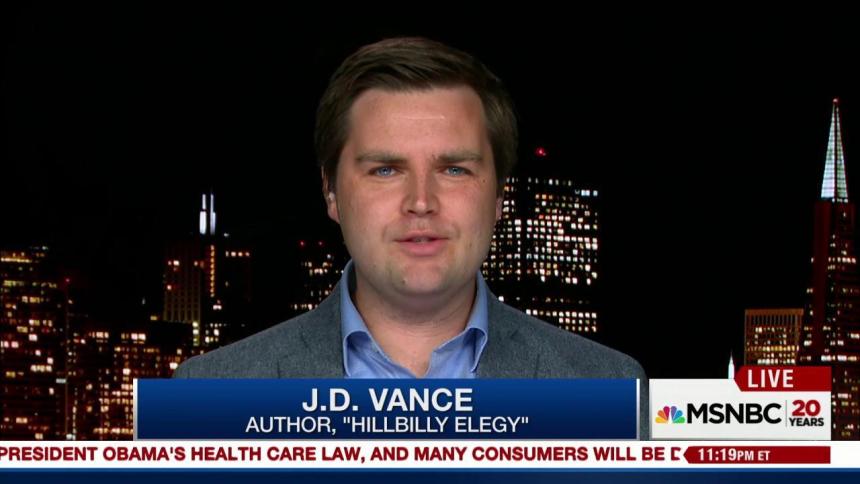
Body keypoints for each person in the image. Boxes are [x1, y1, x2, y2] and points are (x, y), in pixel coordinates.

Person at [174, 37, 648, 438]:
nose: (421, 201)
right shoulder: (208, 394)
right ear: (331, 192)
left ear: (500, 196)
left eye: (454, 169)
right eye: (385, 169)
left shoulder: (611, 389)